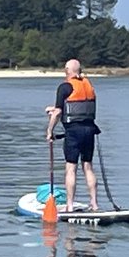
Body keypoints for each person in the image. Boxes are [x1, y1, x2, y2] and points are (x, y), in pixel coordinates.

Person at [45, 58, 99, 212]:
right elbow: (76, 107)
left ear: (67, 71)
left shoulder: (64, 87)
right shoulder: (89, 86)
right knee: (88, 167)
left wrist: (50, 131)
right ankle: (94, 204)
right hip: (90, 130)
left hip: (73, 132)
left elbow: (58, 113)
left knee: (71, 168)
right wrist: (54, 109)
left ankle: (69, 205)